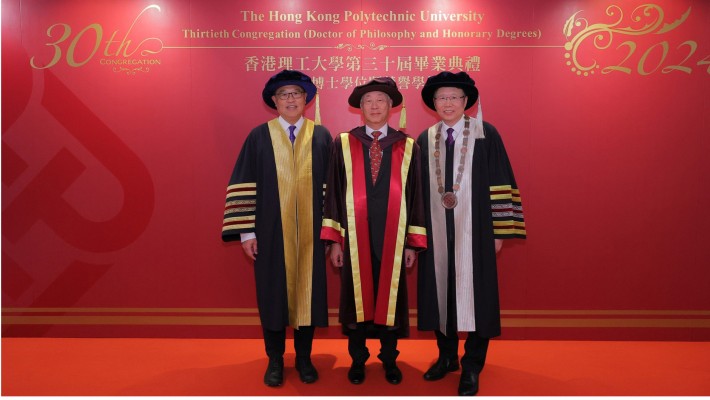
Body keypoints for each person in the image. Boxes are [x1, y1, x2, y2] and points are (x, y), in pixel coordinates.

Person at [416, 71, 527, 396]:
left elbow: (501, 181)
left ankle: (472, 365)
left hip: (476, 231)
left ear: (466, 102)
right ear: (433, 103)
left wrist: (499, 232)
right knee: (440, 294)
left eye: (454, 97)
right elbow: (417, 191)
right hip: (437, 235)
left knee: (476, 297)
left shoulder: (484, 134)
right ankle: (447, 357)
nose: (447, 103)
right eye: (441, 98)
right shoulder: (426, 138)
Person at [222, 69, 332, 387]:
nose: (290, 100)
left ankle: (303, 358)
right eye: (284, 95)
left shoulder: (322, 136)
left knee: (307, 297)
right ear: (274, 101)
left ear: (306, 99)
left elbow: (333, 187)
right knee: (272, 297)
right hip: (270, 235)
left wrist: (330, 231)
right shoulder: (259, 136)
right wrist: (247, 232)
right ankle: (275, 360)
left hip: (311, 236)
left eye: (296, 94)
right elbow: (243, 182)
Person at [320, 77, 427, 385]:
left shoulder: (408, 146)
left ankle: (390, 360)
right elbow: (334, 194)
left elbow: (416, 195)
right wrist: (335, 242)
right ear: (360, 108)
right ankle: (357, 360)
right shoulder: (342, 143)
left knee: (390, 299)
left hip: (394, 240)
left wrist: (411, 243)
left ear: (392, 106)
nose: (375, 106)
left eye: (381, 100)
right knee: (356, 300)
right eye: (369, 101)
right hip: (353, 238)